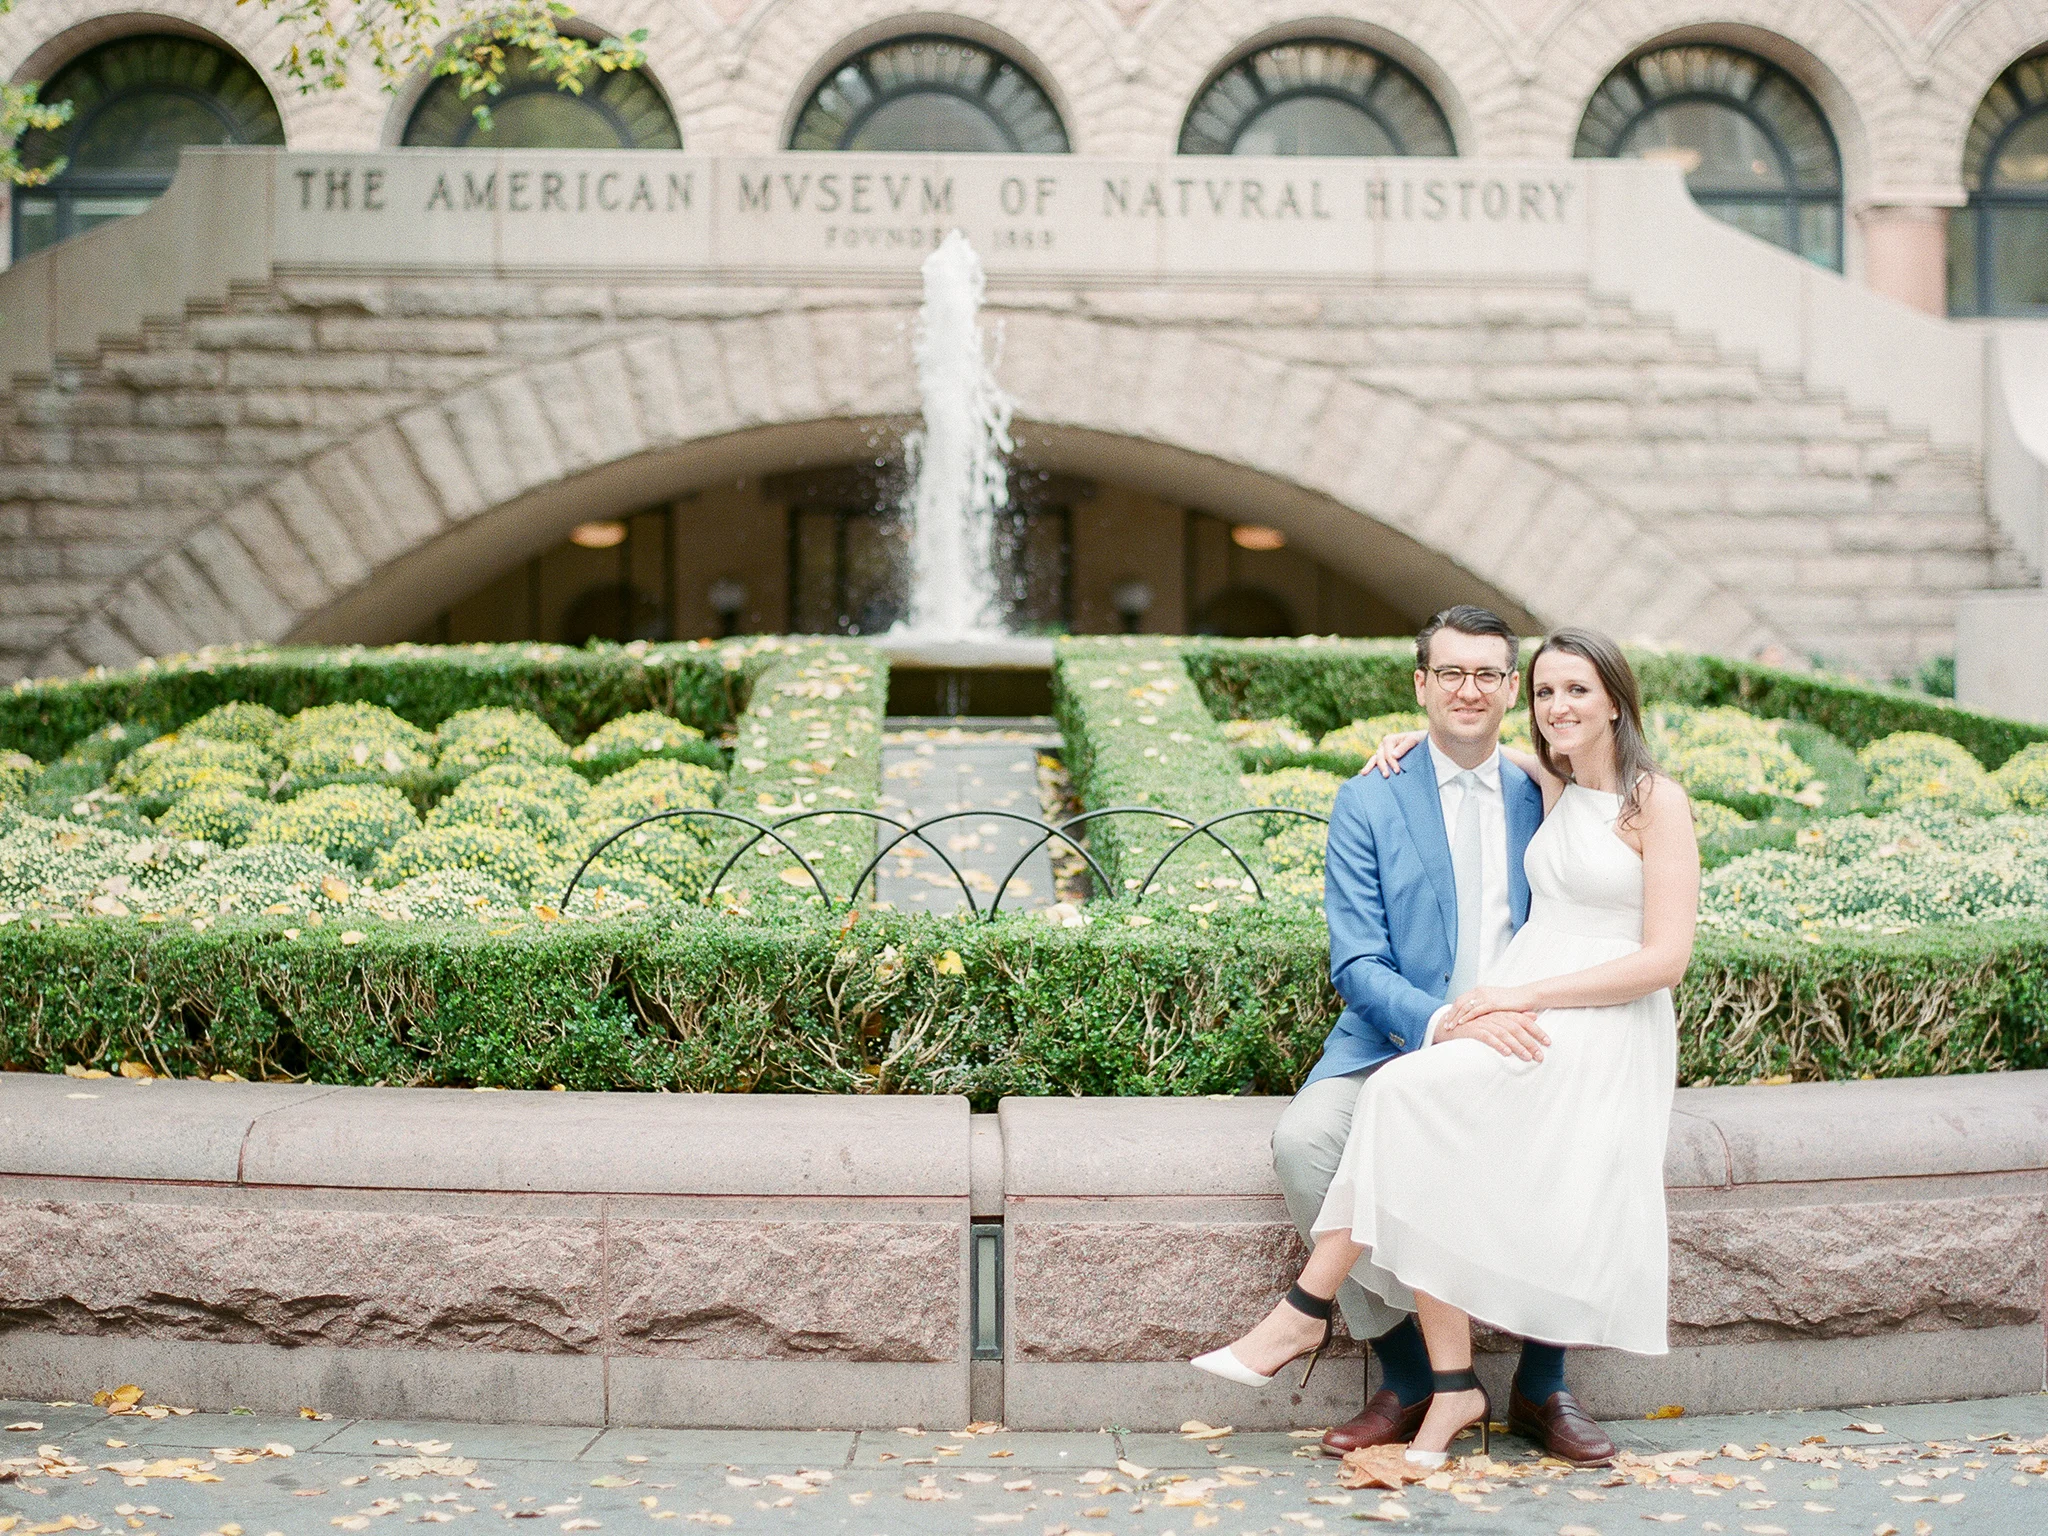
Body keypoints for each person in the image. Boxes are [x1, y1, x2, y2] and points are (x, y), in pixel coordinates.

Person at [1196, 624, 1699, 1470]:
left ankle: (1535, 1381)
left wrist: (1515, 1000)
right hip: (1414, 1029)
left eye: (1496, 678)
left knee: (1481, 1129)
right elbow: (1356, 962)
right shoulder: (1382, 793)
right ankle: (1413, 1375)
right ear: (1421, 684)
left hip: (1549, 1017)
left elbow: (1662, 949)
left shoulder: (1550, 785)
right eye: (1452, 675)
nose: (1479, 692)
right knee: (1312, 1139)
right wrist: (1442, 1022)